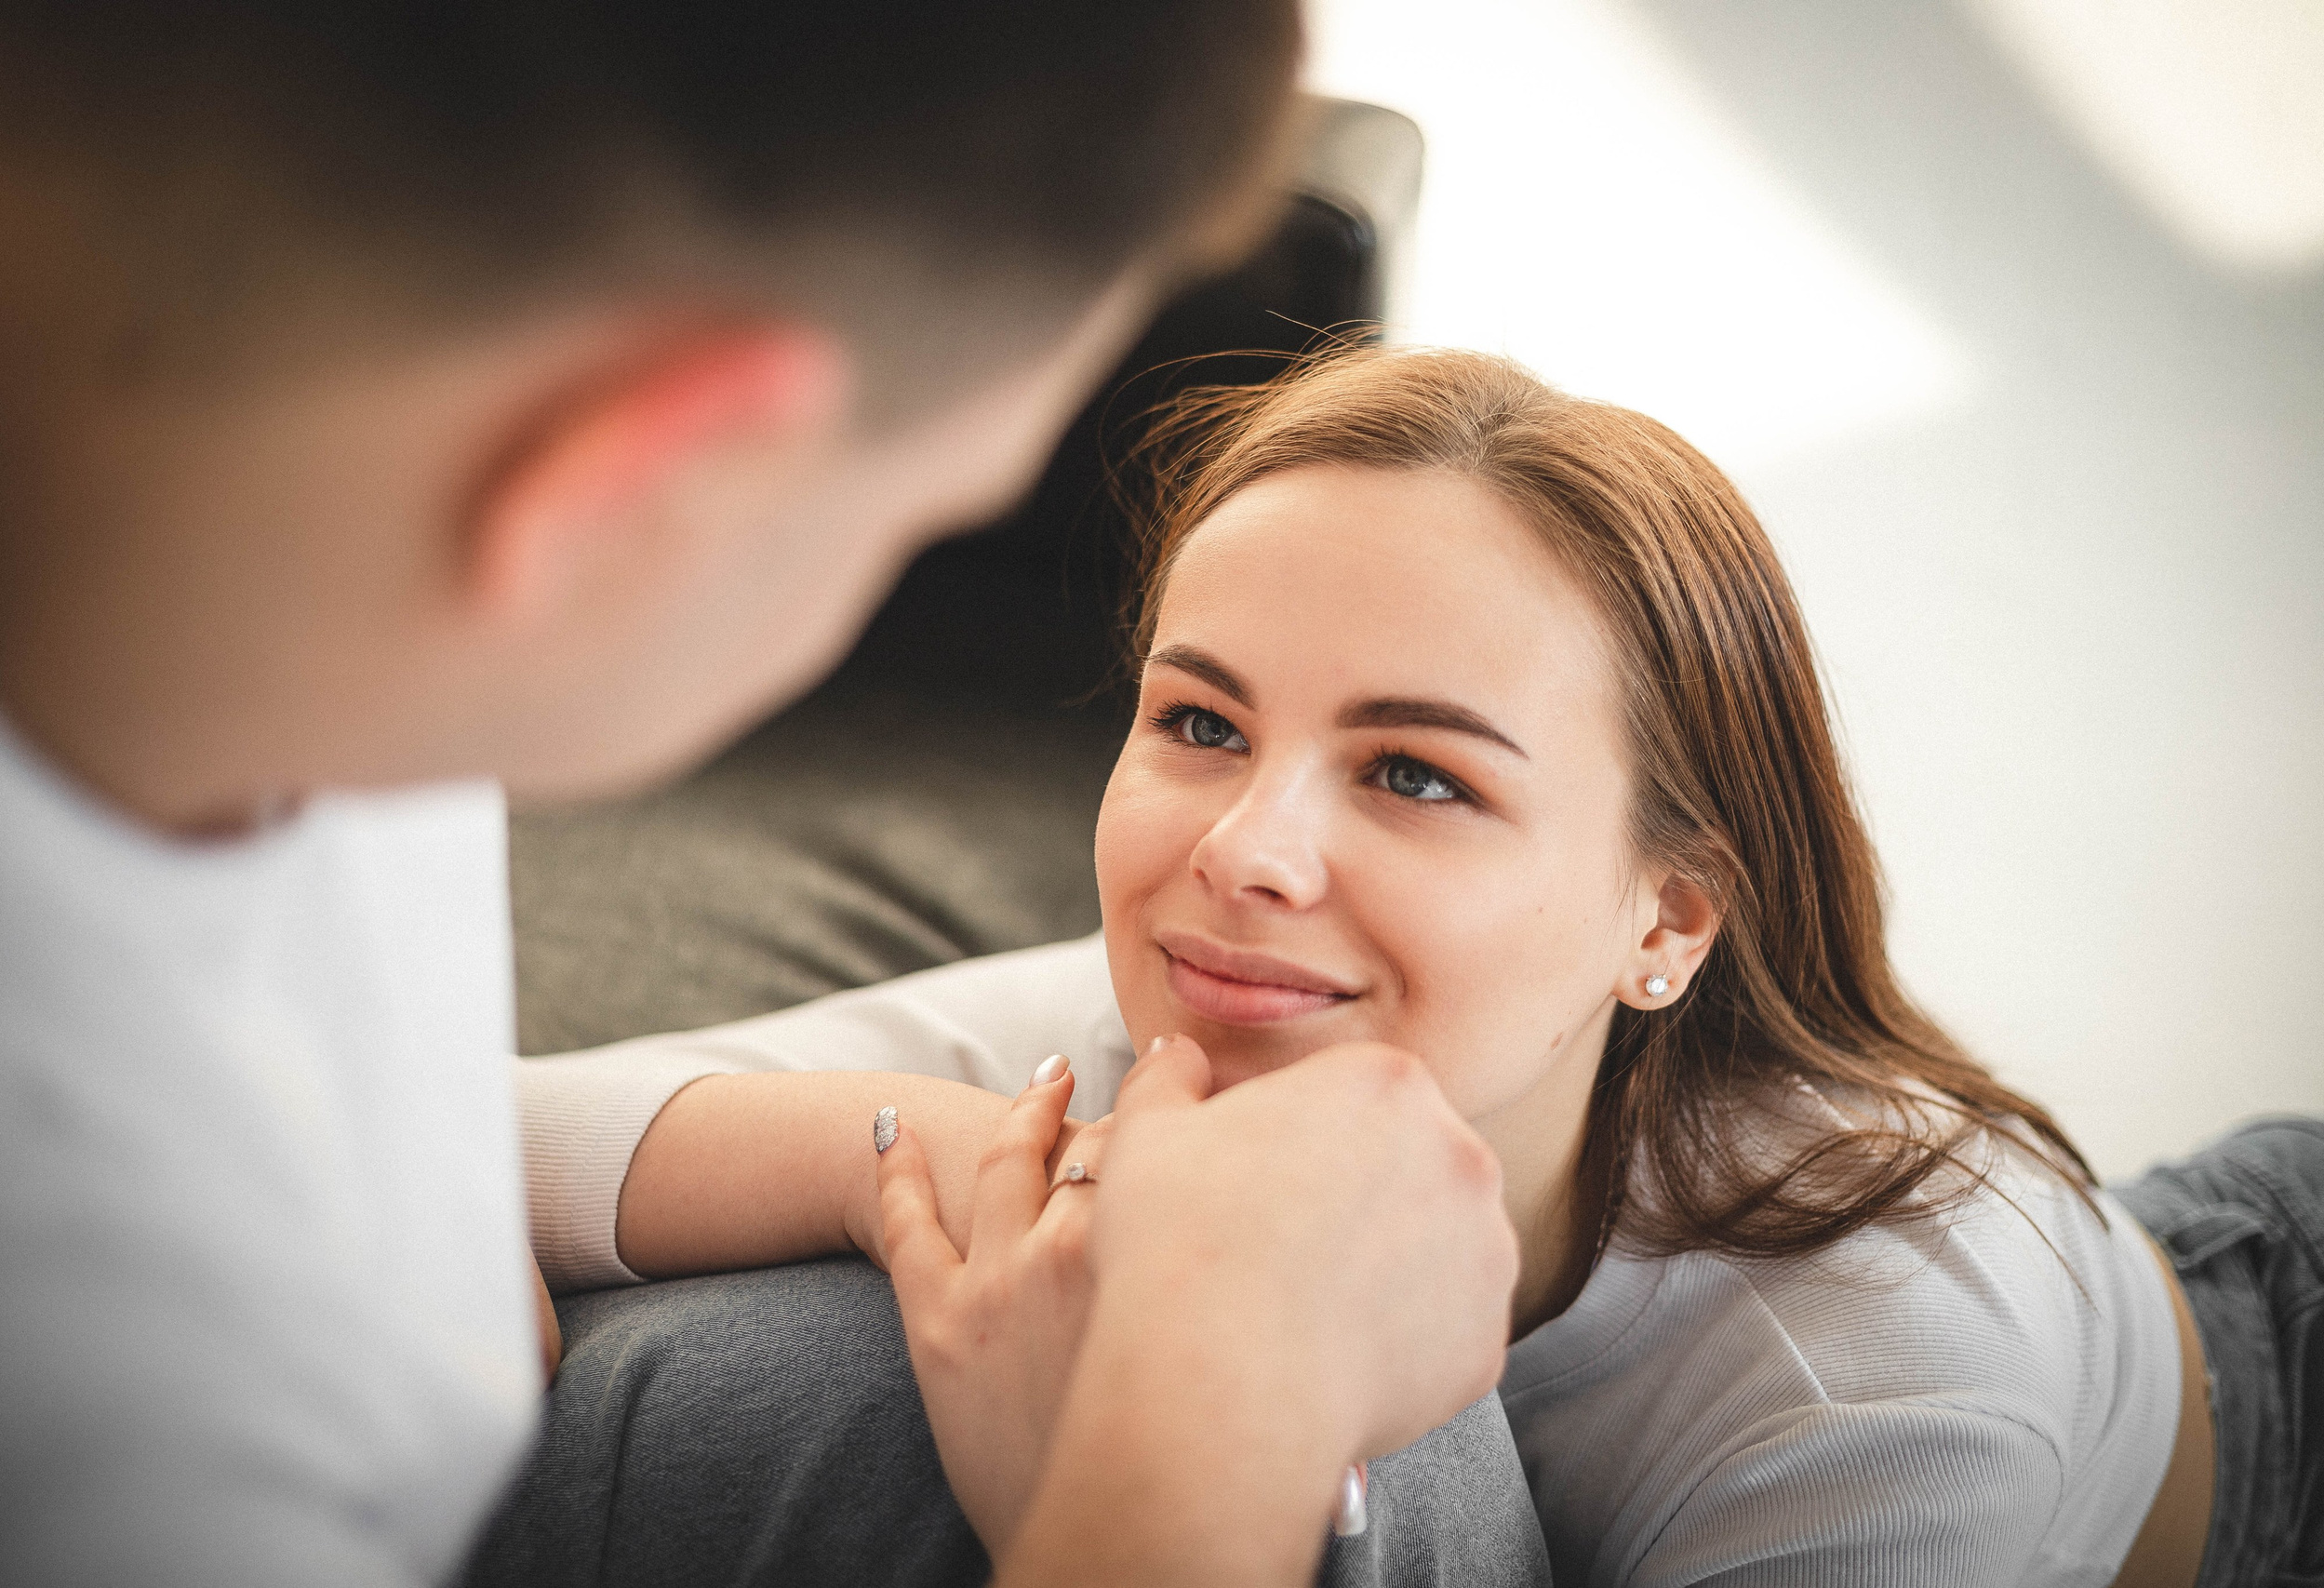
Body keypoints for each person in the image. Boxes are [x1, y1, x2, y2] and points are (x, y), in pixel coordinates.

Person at [0, 10, 1526, 1586]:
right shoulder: (121, 1404)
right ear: (639, 494)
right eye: (921, 520)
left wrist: (901, 1157)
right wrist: (1208, 1432)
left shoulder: (290, 618)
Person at [525, 346, 2324, 1585]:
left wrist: (1125, 1486)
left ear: (1664, 918)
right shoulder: (1175, 1016)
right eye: (1198, 719)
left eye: (1413, 772)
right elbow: (478, 1148)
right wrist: (949, 1159)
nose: (1244, 846)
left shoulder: (1874, 1384)